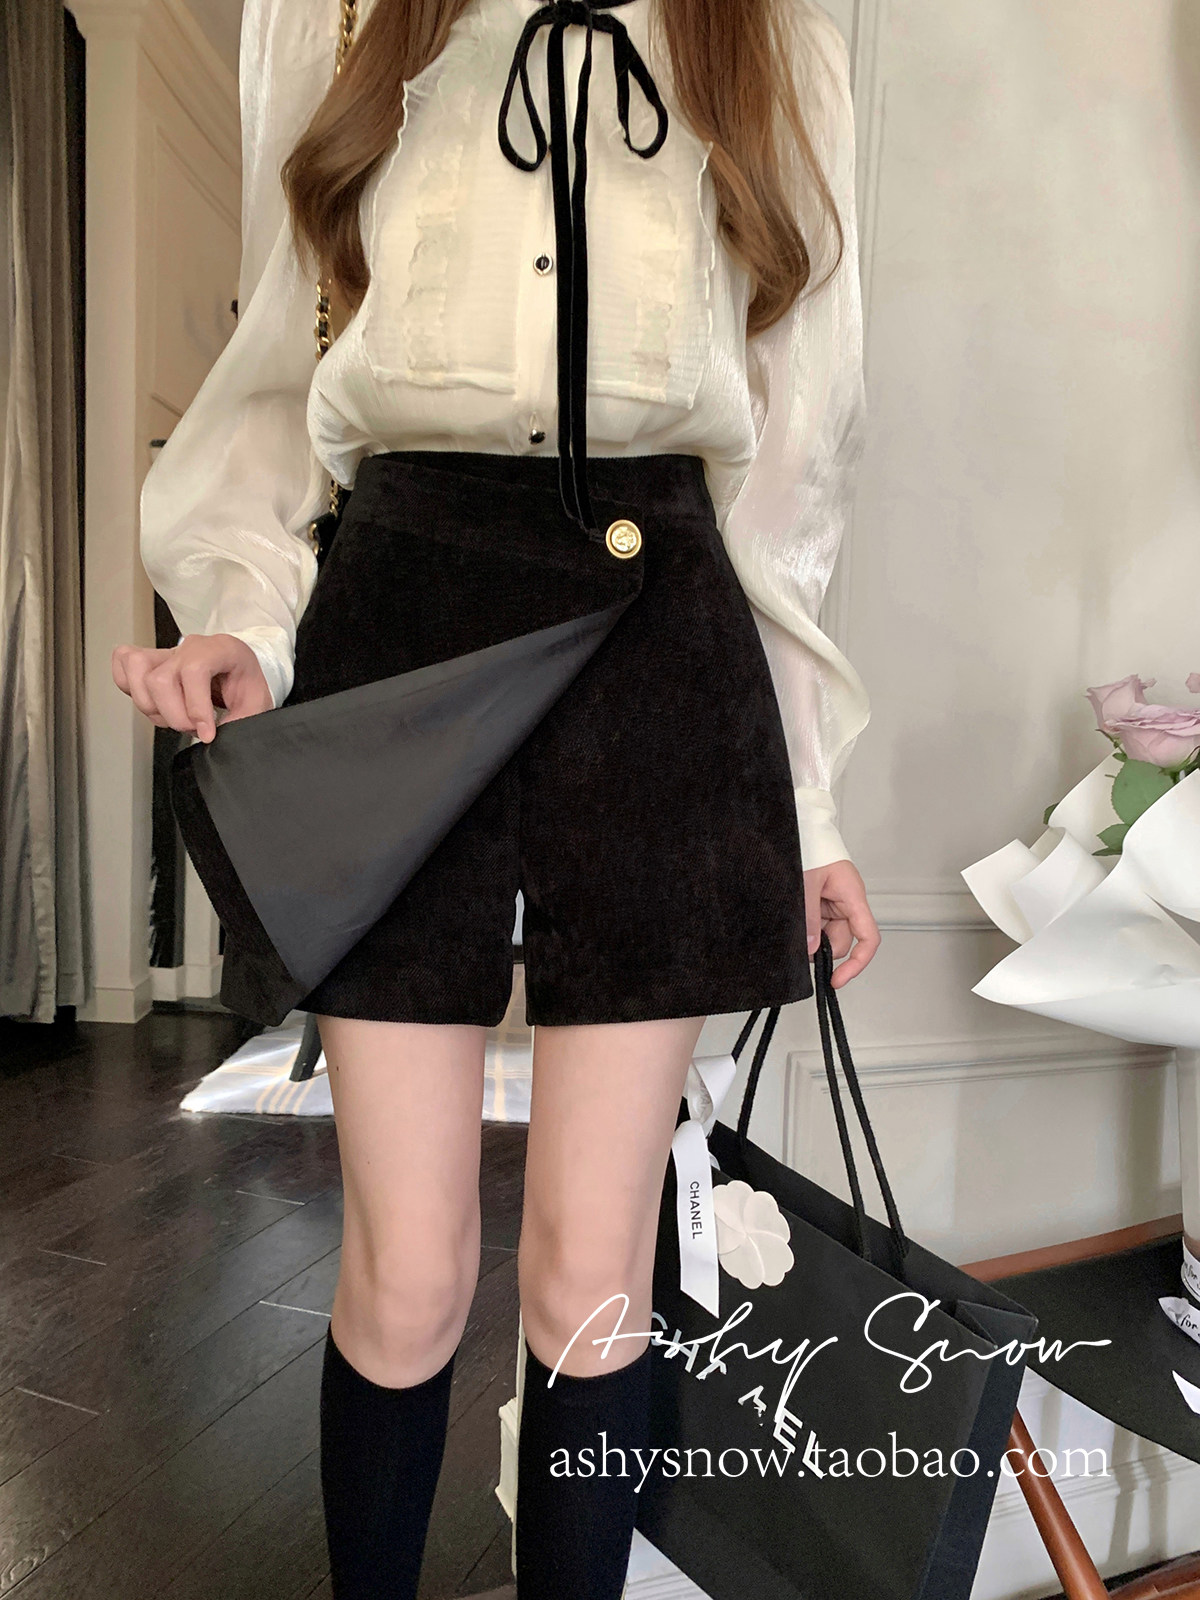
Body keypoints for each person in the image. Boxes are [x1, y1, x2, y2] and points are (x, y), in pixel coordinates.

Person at [113, 0, 881, 1594]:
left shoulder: (768, 28)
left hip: (664, 628)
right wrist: (249, 616)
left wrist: (808, 809)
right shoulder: (335, 12)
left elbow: (799, 452)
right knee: (404, 1274)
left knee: (596, 1279)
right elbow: (276, 362)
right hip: (403, 609)